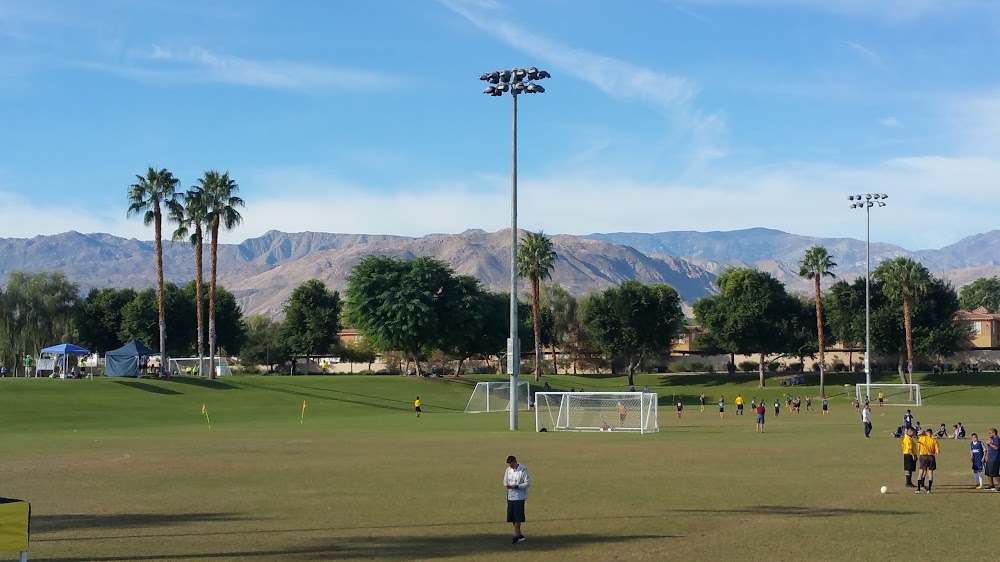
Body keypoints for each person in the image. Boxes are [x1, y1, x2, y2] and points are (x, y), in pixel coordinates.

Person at [503, 455, 530, 544]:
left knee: (518, 517)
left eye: (511, 464)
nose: (510, 466)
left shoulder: (523, 469)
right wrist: (507, 485)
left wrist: (517, 486)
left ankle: (517, 535)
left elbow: (527, 483)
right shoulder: (508, 470)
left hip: (519, 496)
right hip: (510, 496)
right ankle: (519, 535)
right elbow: (505, 481)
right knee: (512, 517)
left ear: (515, 462)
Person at [915, 428, 941, 493]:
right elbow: (938, 451)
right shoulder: (934, 441)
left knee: (921, 472)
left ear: (926, 433)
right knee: (930, 473)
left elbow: (918, 449)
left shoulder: (921, 439)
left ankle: (918, 489)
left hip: (923, 456)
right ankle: (929, 490)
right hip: (931, 457)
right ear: (931, 433)